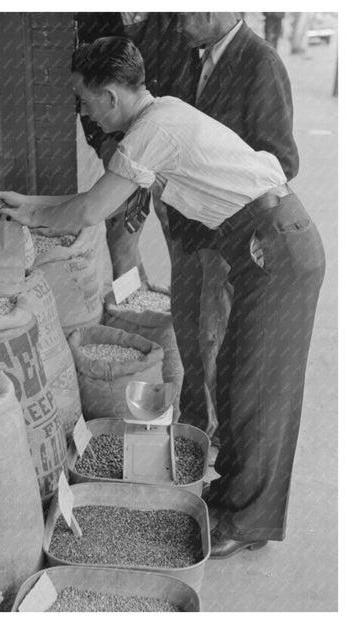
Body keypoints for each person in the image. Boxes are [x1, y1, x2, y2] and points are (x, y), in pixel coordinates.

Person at [0, 37, 325, 558]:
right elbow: (92, 201)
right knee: (239, 376)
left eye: (83, 99)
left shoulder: (150, 131)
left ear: (109, 97)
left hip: (277, 246)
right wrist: (29, 205)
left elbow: (88, 211)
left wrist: (31, 214)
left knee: (260, 389)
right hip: (263, 241)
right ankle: (232, 496)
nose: (82, 111)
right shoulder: (158, 116)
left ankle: (246, 520)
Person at [171, 12, 300, 443]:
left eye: (183, 11)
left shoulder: (260, 62)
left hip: (227, 243)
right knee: (190, 341)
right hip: (188, 233)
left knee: (216, 349)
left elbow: (282, 161)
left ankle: (219, 452)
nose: (176, 22)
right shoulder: (195, 57)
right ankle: (195, 438)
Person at [75, 12, 197, 280]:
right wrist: (105, 144)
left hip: (172, 150)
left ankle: (185, 310)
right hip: (122, 147)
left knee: (182, 239)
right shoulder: (90, 16)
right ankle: (132, 308)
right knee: (121, 235)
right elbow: (85, 87)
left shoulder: (181, 16)